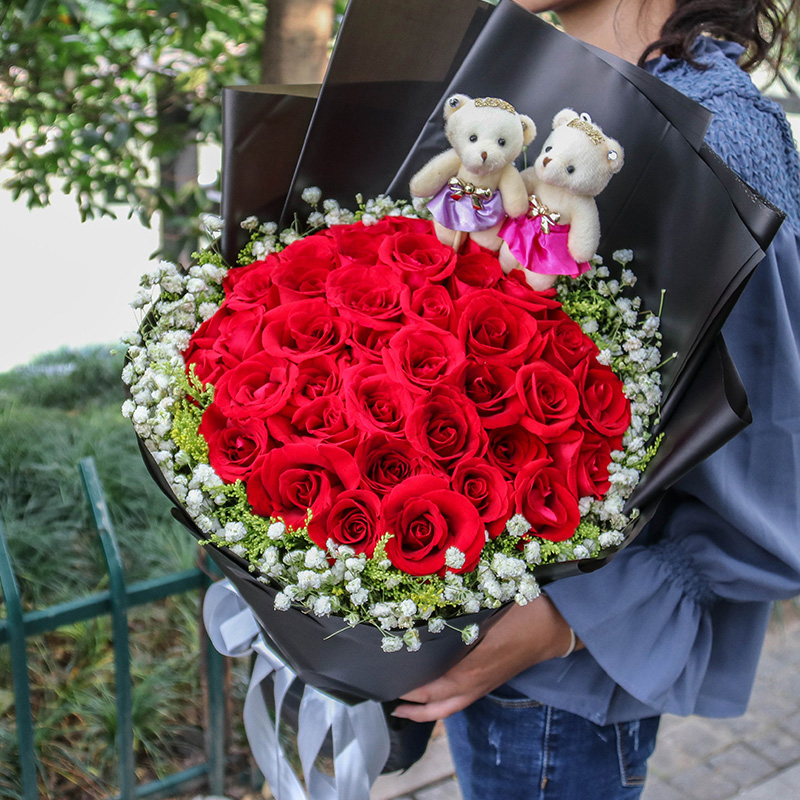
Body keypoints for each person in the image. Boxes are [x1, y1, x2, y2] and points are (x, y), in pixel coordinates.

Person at [393, 1, 800, 797]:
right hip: (468, 627)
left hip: (555, 691)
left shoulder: (717, 129)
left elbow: (777, 452)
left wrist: (565, 623)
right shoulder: (521, 82)